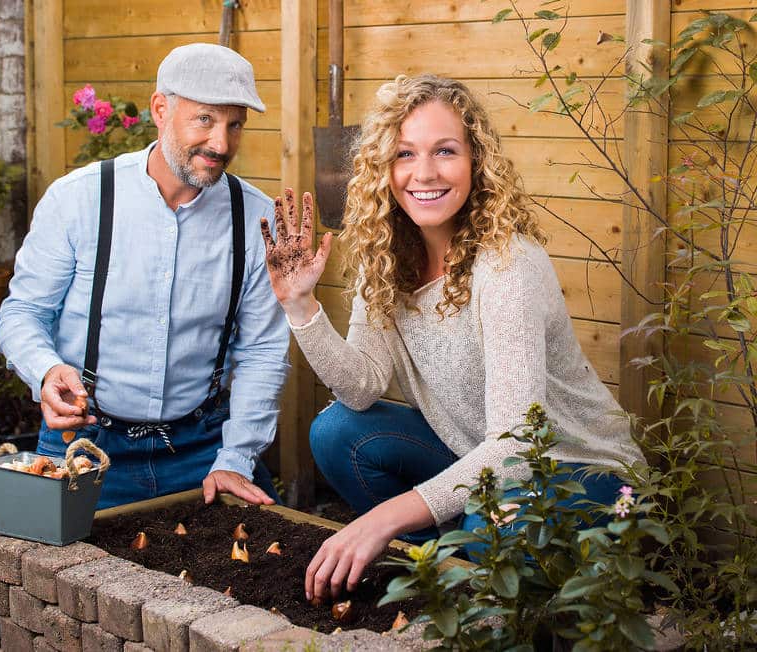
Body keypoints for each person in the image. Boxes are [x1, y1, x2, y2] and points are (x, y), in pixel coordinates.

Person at [260, 74, 646, 603]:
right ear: (383, 169)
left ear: (476, 162)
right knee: (336, 432)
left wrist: (386, 517)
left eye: (445, 151)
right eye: (404, 154)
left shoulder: (507, 266)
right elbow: (361, 388)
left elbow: (515, 447)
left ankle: (479, 561)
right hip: (484, 461)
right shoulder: (388, 258)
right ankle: (439, 568)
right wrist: (301, 307)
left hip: (579, 470)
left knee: (495, 526)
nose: (424, 173)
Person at [0, 43, 290, 509]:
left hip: (205, 449)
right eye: (205, 120)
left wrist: (237, 455)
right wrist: (47, 370)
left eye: (235, 125)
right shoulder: (77, 199)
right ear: (160, 109)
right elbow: (24, 312)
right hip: (86, 443)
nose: (222, 143)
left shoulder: (257, 219)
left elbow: (261, 350)